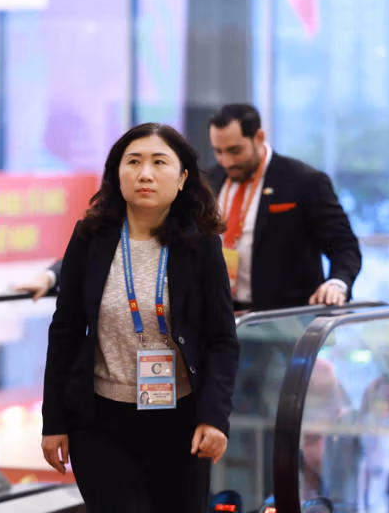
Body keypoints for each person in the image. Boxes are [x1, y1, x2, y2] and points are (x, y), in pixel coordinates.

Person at [41, 122, 239, 513]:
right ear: (117, 174)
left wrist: (215, 417)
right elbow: (65, 331)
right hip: (99, 422)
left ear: (182, 178)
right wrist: (54, 422)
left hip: (180, 421)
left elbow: (221, 340)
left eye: (159, 162)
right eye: (133, 162)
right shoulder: (90, 237)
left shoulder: (201, 246)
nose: (144, 173)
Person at [207, 104, 361, 311]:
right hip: (222, 314)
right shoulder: (210, 180)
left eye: (235, 151)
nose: (227, 162)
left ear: (259, 138)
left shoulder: (304, 181)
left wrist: (337, 283)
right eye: (218, 152)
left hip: (284, 318)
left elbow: (343, 244)